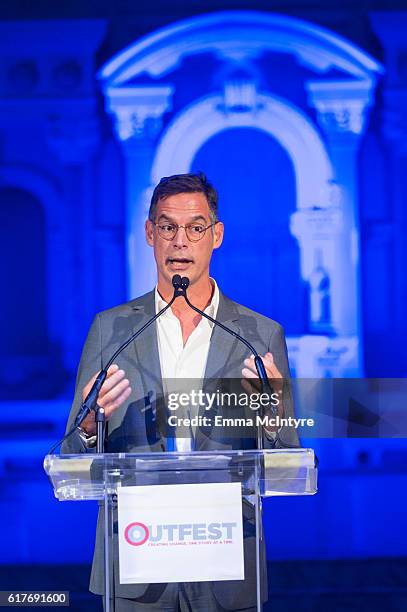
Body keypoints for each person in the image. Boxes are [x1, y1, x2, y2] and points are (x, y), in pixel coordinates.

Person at [63, 173, 298, 611]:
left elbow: (287, 458)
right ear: (150, 234)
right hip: (137, 556)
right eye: (168, 227)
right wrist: (92, 422)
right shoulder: (111, 330)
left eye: (195, 227)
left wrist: (272, 416)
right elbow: (72, 448)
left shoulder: (259, 335)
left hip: (224, 556)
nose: (180, 242)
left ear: (217, 235)